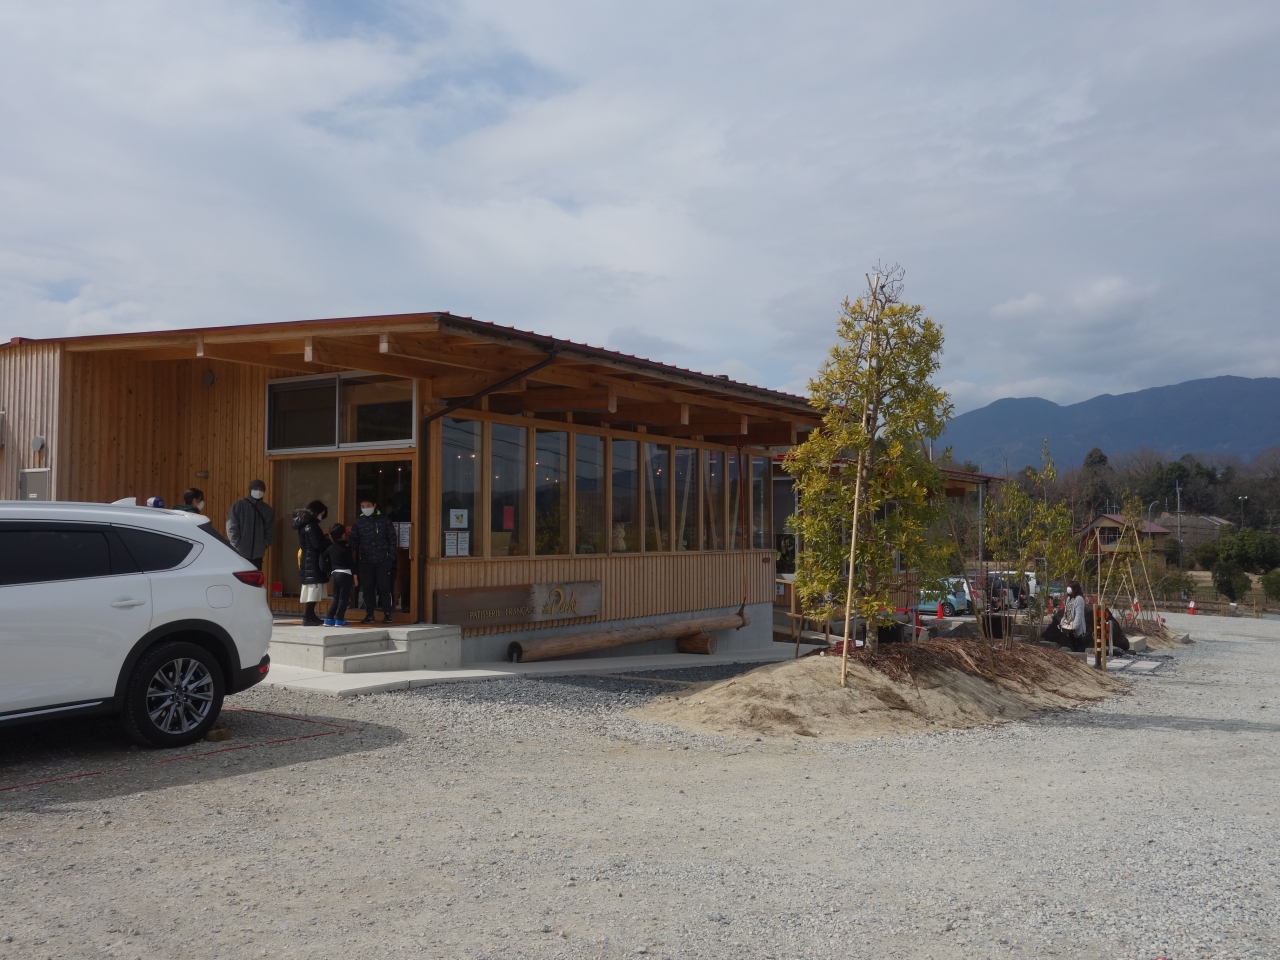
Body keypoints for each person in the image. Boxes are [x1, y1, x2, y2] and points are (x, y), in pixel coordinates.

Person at [347, 497, 399, 624]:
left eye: (368, 505)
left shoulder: (384, 520)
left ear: (374, 505)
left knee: (384, 587)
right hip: (365, 561)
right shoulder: (359, 522)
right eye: (363, 506)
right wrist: (345, 546)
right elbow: (353, 540)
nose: (365, 508)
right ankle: (369, 614)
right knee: (367, 588)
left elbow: (392, 539)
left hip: (383, 561)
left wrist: (391, 558)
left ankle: (387, 614)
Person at [293, 500, 329, 627]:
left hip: (308, 560)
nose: (321, 517)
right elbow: (317, 544)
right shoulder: (311, 526)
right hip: (312, 561)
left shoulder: (304, 524)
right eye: (321, 514)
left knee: (312, 590)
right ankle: (308, 616)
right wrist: (327, 540)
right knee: (313, 590)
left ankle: (311, 615)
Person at [226, 479, 274, 571]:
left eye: (261, 489)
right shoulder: (239, 505)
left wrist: (264, 545)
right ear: (250, 489)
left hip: (258, 555)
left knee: (255, 578)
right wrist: (237, 544)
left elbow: (270, 530)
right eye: (255, 488)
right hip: (239, 553)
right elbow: (231, 526)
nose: (258, 491)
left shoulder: (267, 510)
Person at [321, 522, 356, 627]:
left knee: (336, 598)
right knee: (343, 598)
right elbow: (351, 564)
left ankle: (329, 618)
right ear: (343, 535)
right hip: (345, 574)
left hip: (334, 574)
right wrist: (355, 577)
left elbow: (324, 557)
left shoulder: (330, 548)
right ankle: (339, 619)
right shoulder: (346, 548)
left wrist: (328, 568)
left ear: (331, 536)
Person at [1057, 580, 1090, 652]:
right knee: (1071, 644)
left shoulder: (1079, 599)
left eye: (1070, 587)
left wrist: (1074, 626)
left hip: (1075, 627)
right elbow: (1066, 612)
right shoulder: (1069, 598)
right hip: (1068, 625)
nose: (1068, 589)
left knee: (1078, 645)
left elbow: (1079, 614)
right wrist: (1062, 622)